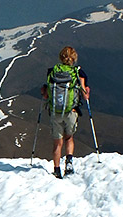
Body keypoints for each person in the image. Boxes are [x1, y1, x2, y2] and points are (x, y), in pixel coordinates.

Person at [41, 46, 89, 178]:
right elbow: (84, 95)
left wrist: (43, 91)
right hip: (71, 111)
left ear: (61, 57)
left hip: (55, 111)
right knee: (69, 137)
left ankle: (56, 170)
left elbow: (46, 95)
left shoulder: (52, 72)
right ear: (74, 58)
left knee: (57, 142)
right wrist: (87, 93)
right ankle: (69, 161)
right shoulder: (79, 73)